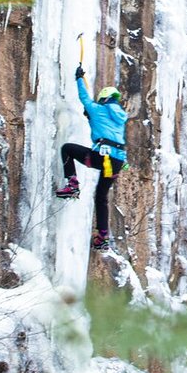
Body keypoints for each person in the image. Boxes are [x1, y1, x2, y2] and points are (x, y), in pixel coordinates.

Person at [55, 64, 127, 247]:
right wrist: (90, 117)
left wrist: (79, 78)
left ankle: (72, 184)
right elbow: (108, 131)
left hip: (102, 157)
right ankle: (102, 237)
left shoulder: (97, 109)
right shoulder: (119, 117)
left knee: (67, 149)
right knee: (101, 196)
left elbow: (84, 98)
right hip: (116, 161)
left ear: (103, 98)